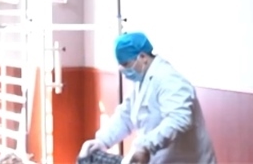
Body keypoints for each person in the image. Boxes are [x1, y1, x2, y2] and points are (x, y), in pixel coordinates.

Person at [78, 32, 217, 164]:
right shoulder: (142, 81)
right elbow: (125, 116)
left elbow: (178, 119)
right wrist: (103, 141)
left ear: (143, 57)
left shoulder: (170, 80)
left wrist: (146, 146)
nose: (122, 69)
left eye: (126, 64)